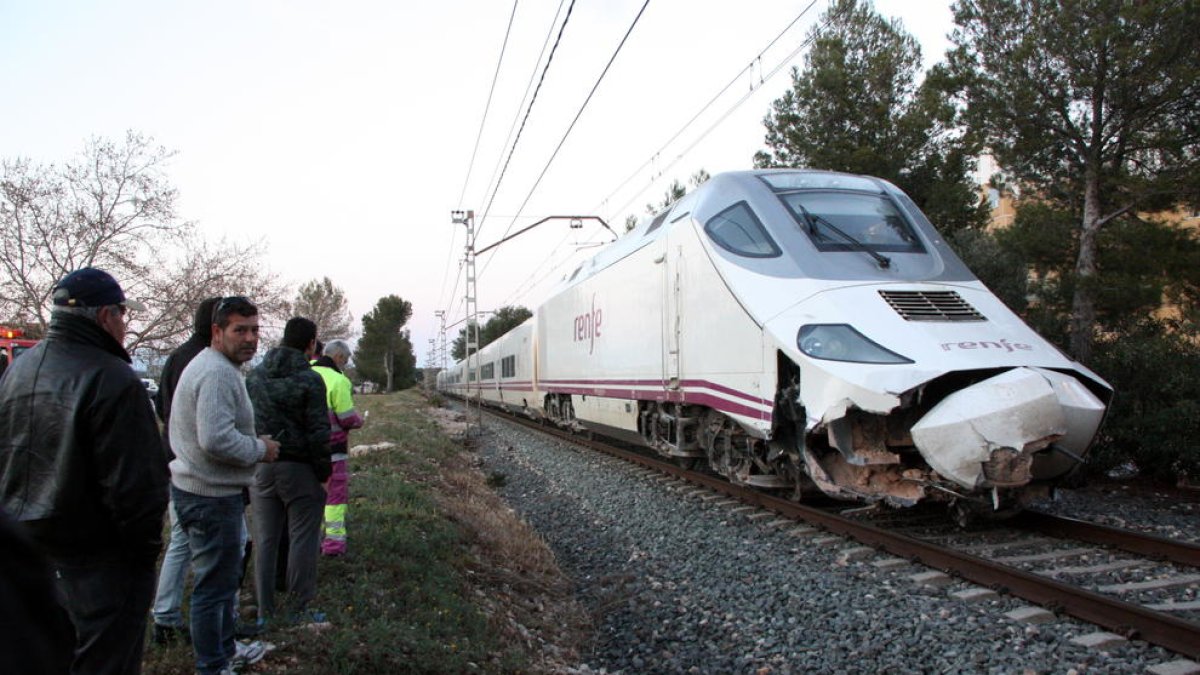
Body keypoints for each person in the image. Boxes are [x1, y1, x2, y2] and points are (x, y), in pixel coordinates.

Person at [0, 266, 168, 674]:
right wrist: (143, 557)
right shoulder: (115, 380)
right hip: (97, 563)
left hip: (26, 554)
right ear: (107, 316)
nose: (125, 325)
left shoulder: (17, 371)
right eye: (123, 315)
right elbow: (137, 490)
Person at [169, 295, 279, 675]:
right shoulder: (216, 372)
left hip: (208, 491)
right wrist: (259, 449)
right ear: (217, 332)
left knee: (219, 584)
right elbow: (214, 439)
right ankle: (213, 665)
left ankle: (225, 649)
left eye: (254, 330)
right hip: (209, 497)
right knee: (213, 589)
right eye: (240, 330)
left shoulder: (218, 366)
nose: (250, 338)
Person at [247, 317, 331, 624]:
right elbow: (320, 433)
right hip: (300, 470)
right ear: (311, 344)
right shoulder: (310, 380)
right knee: (302, 539)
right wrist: (324, 474)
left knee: (266, 540)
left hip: (262, 467)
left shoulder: (255, 377)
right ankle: (299, 609)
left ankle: (264, 611)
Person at [150, 296, 220, 645]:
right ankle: (216, 623)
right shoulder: (208, 362)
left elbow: (163, 405)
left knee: (179, 539)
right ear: (216, 326)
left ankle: (165, 614)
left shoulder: (177, 356)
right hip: (196, 467)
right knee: (214, 546)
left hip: (172, 457)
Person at [312, 339, 365, 556]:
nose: (346, 364)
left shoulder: (307, 372)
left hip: (306, 453)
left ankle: (309, 543)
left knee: (310, 498)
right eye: (346, 359)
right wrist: (359, 421)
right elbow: (346, 418)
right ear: (338, 357)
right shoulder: (338, 380)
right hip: (333, 451)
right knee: (334, 498)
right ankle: (333, 545)